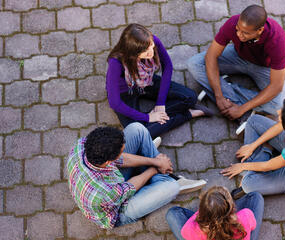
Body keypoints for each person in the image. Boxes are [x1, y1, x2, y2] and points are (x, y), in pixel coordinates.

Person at [67, 123, 205, 229]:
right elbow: (130, 186)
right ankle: (168, 178)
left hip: (110, 184)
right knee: (172, 188)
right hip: (117, 210)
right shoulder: (104, 193)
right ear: (108, 161)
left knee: (136, 128)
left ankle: (153, 158)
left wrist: (155, 161)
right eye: (121, 152)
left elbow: (121, 159)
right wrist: (154, 168)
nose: (123, 151)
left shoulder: (82, 144)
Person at [106, 23, 212, 138]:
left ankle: (155, 118)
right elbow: (115, 103)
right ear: (134, 53)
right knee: (139, 134)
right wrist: (148, 117)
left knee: (190, 97)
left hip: (146, 82)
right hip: (127, 92)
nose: (151, 52)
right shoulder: (115, 62)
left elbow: (167, 66)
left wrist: (160, 103)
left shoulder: (152, 40)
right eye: (146, 52)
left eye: (151, 46)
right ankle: (188, 114)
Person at [187, 5, 285, 124]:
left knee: (279, 105)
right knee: (194, 63)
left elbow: (276, 86)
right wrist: (219, 96)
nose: (239, 35)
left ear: (259, 30)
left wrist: (242, 109)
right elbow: (211, 56)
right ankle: (223, 94)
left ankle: (225, 91)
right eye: (238, 29)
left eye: (245, 33)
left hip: (263, 68)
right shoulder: (233, 23)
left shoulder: (276, 39)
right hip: (237, 57)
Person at [166, 186, 264, 240]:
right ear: (232, 208)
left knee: (172, 213)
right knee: (255, 197)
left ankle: (214, 211)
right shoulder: (245, 216)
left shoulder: (192, 229)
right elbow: (253, 225)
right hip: (240, 235)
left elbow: (184, 233)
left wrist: (204, 214)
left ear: (201, 211)